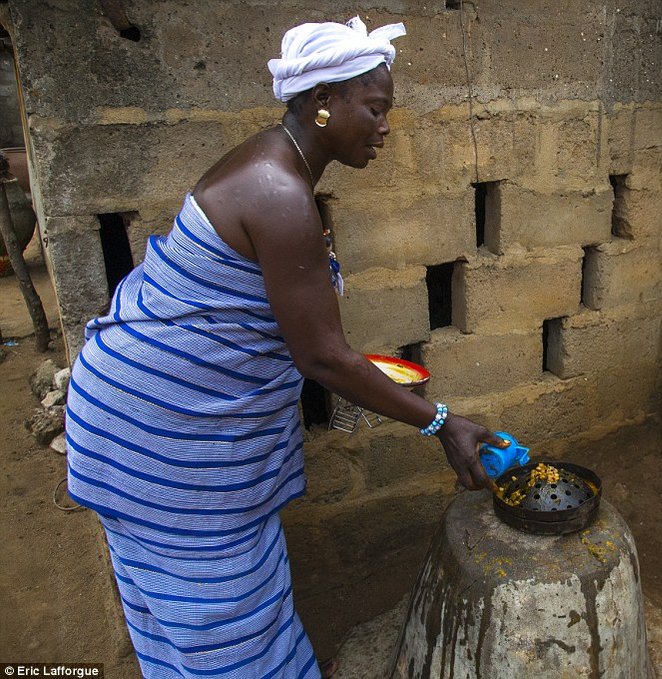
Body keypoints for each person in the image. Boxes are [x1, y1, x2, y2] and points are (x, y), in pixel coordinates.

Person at [65, 17, 504, 679]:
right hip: (160, 437)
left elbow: (292, 331)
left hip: (144, 417)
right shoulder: (278, 193)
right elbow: (323, 358)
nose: (386, 127)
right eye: (376, 109)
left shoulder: (276, 169)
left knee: (212, 603)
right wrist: (442, 423)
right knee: (219, 622)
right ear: (323, 102)